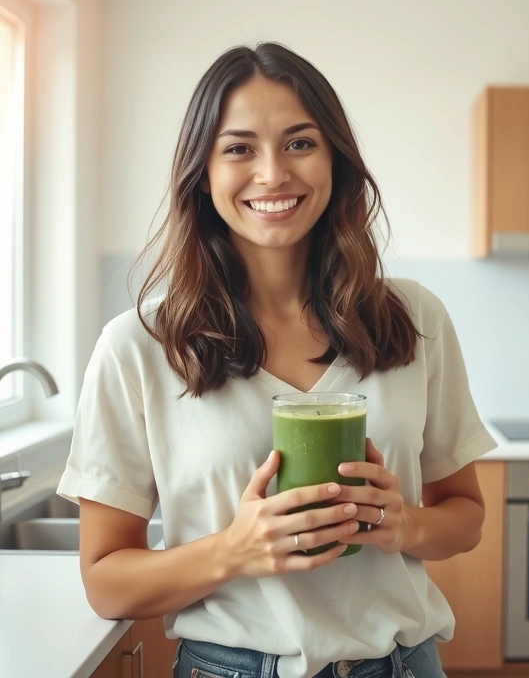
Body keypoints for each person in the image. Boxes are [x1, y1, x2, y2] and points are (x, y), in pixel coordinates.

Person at [57, 42, 497, 678]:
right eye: (238, 148)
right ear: (201, 172)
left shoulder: (413, 319)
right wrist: (235, 550)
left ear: (335, 161)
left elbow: (467, 518)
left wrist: (404, 525)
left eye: (299, 143)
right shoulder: (142, 345)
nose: (272, 174)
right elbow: (106, 583)